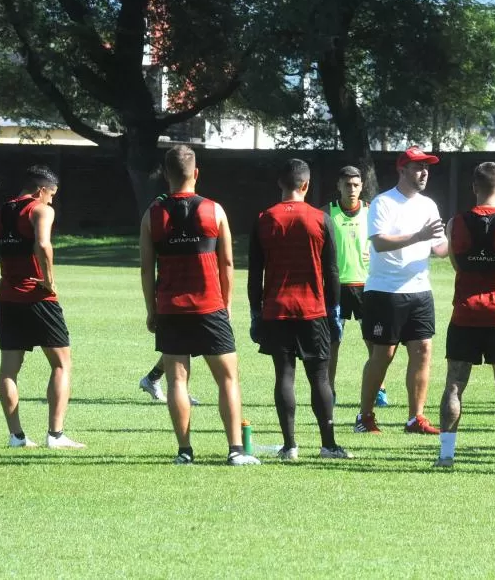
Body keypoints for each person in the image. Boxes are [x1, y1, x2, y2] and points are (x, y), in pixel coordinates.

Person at [139, 145, 258, 466]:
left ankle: (184, 451)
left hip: (170, 308)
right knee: (228, 379)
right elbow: (228, 263)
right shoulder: (215, 210)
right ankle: (235, 450)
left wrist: (152, 309)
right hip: (210, 307)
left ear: (165, 175)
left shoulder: (152, 215)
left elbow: (146, 268)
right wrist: (227, 304)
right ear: (196, 173)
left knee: (178, 380)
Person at [0, 165, 84, 450]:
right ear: (42, 190)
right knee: (62, 364)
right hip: (39, 298)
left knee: (8, 370)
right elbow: (43, 245)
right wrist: (49, 282)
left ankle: (16, 437)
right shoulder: (40, 210)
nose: (52, 200)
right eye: (52, 194)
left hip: (7, 299)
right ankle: (55, 435)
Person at [248, 159, 353, 460]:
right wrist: (334, 310)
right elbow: (331, 272)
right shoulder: (321, 219)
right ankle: (328, 445)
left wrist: (256, 313)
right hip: (313, 310)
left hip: (276, 310)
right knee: (319, 377)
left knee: (284, 375)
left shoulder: (264, 218)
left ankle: (290, 445)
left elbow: (256, 273)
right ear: (306, 185)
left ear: (280, 184)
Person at [434, 162, 495, 471]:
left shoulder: (454, 224)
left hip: (464, 314)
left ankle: (446, 456)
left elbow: (457, 265)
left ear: (474, 187)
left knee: (454, 385)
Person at [354, 147, 448, 434]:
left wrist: (460, 242)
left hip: (420, 291)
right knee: (384, 354)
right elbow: (379, 243)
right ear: (402, 169)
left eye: (427, 168)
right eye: (418, 167)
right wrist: (418, 236)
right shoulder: (383, 203)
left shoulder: (429, 205)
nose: (424, 173)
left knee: (423, 349)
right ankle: (365, 416)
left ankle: (415, 419)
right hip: (385, 291)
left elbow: (440, 248)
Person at [322, 166, 380, 405]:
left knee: (374, 343)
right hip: (336, 287)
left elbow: (383, 242)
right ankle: (329, 391)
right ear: (339, 186)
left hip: (367, 286)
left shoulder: (371, 212)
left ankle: (379, 391)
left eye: (356, 185)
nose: (352, 189)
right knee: (333, 343)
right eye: (347, 185)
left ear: (362, 186)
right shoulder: (327, 213)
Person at [139, 195, 200, 407]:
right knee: (182, 342)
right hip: (173, 287)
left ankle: (153, 378)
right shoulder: (160, 205)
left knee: (183, 341)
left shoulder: (192, 203)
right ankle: (169, 387)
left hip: (188, 286)